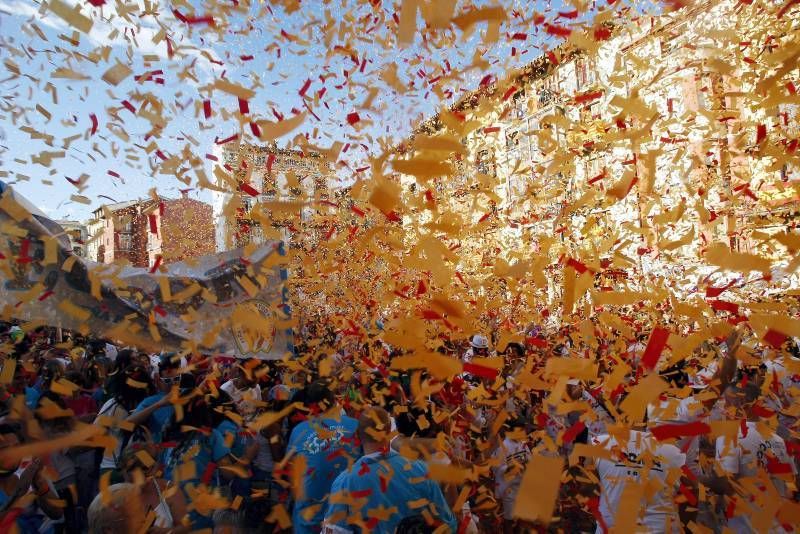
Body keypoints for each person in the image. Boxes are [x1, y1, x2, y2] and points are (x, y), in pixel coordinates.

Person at [323, 406, 457, 533]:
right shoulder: (421, 469)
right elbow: (448, 524)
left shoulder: (344, 483)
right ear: (389, 433)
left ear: (357, 436)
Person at [707, 383, 798, 533]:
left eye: (726, 401)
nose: (722, 407)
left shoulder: (730, 436)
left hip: (749, 527)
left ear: (741, 403)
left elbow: (725, 484)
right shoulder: (778, 440)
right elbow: (788, 486)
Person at [287, 380, 361, 534]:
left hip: (308, 518)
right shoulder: (355, 426)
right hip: (344, 519)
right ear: (334, 401)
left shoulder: (299, 431)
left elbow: (293, 476)